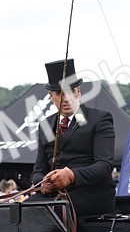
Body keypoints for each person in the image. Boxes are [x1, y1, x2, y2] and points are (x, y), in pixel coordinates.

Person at [31, 59, 115, 218]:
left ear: (78, 92)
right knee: (21, 211)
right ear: (51, 96)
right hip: (55, 195)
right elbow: (38, 170)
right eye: (59, 94)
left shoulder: (99, 119)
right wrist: (42, 183)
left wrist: (72, 176)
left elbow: (104, 165)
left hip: (92, 193)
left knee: (54, 212)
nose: (66, 99)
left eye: (70, 92)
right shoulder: (45, 125)